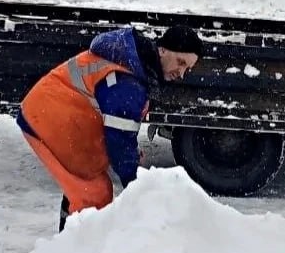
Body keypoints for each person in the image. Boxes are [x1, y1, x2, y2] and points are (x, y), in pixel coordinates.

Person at [16, 24, 202, 230]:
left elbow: (120, 130)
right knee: (93, 193)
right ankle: (76, 250)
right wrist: (136, 186)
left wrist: (129, 157)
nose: (182, 73)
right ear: (163, 50)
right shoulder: (129, 81)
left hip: (52, 112)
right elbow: (119, 140)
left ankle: (70, 240)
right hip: (49, 117)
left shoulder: (135, 65)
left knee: (89, 187)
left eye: (187, 68)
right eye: (181, 62)